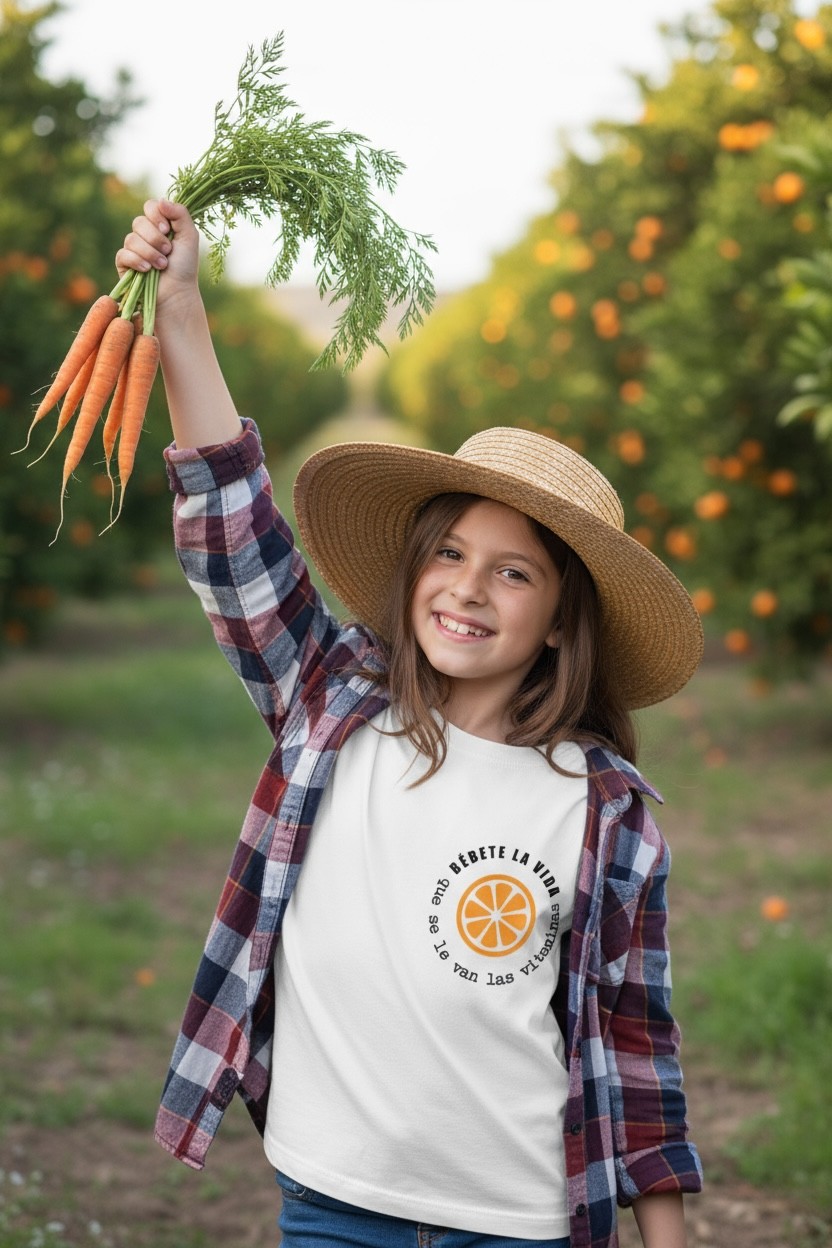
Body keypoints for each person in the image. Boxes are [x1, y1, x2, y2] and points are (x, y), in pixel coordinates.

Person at [117, 199, 704, 1248]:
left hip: (518, 1215)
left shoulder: (604, 812)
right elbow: (230, 521)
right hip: (333, 1199)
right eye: (449, 554)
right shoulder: (334, 700)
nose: (468, 589)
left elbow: (634, 1047)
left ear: (564, 623)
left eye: (513, 572)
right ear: (413, 568)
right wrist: (183, 309)